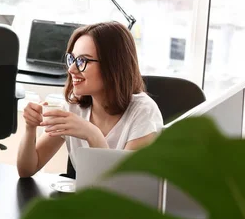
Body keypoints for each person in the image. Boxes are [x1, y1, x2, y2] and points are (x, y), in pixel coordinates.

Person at [17, 21, 164, 178]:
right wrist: (30, 128)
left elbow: (123, 189)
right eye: (72, 59)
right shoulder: (73, 106)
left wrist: (93, 135)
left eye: (82, 61)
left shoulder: (143, 112)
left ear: (113, 65)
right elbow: (27, 170)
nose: (72, 69)